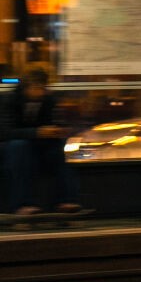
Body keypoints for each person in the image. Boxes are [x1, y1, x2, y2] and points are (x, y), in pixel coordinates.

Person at [1, 66, 84, 215]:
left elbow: (52, 122)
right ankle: (21, 204)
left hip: (35, 143)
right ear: (26, 88)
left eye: (43, 88)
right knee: (19, 147)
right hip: (9, 145)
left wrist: (56, 130)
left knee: (59, 147)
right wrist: (37, 132)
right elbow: (5, 132)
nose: (39, 92)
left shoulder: (48, 100)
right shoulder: (8, 100)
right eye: (36, 88)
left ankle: (67, 200)